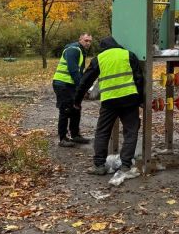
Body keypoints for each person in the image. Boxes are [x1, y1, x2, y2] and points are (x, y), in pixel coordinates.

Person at [74, 36, 144, 186]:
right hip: (129, 99)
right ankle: (126, 165)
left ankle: (99, 166)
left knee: (103, 132)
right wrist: (140, 100)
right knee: (131, 131)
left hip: (109, 102)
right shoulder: (128, 54)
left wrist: (77, 101)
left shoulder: (99, 58)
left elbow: (86, 80)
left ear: (103, 47)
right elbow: (139, 78)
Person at [52, 33, 93, 147]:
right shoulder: (73, 50)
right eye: (86, 40)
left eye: (90, 41)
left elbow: (79, 72)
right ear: (80, 39)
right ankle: (63, 138)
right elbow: (73, 70)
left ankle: (75, 135)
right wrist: (82, 87)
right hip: (63, 84)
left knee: (76, 107)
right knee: (65, 110)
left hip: (70, 84)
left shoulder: (80, 51)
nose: (88, 43)